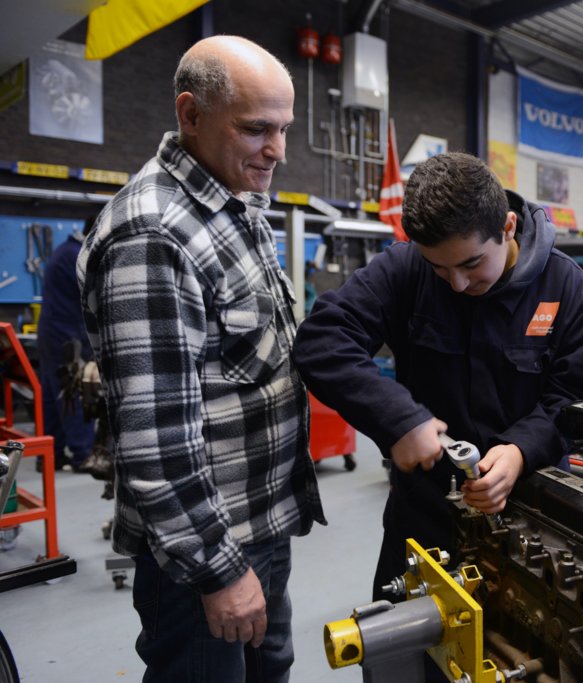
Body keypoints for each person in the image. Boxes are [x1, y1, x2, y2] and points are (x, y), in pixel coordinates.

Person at [77, 36, 324, 682]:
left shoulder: (234, 204)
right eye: (257, 129)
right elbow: (156, 440)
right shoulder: (153, 233)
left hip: (258, 525)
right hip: (203, 557)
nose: (278, 150)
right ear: (191, 115)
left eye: (284, 129)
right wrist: (219, 570)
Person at [293, 152, 583, 639]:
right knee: (405, 658)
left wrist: (521, 451)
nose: (457, 284)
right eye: (439, 268)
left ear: (507, 226)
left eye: (471, 263)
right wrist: (399, 419)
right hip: (424, 520)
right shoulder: (405, 269)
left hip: (531, 524)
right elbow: (322, 341)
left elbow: (576, 402)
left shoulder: (567, 289)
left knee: (522, 653)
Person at [38, 219, 95, 472]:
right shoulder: (76, 257)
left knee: (53, 394)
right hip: (66, 334)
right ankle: (83, 454)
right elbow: (94, 295)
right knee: (74, 392)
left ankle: (51, 454)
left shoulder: (65, 250)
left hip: (53, 331)